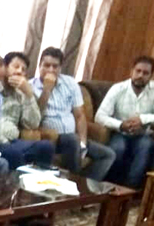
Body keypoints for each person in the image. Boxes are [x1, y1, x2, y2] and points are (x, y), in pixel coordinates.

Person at [31, 47, 116, 181]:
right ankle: (75, 183)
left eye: (55, 66)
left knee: (108, 154)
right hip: (51, 139)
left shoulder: (70, 83)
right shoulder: (31, 87)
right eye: (47, 65)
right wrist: (46, 90)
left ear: (60, 68)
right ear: (39, 66)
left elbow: (80, 115)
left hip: (74, 139)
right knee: (71, 139)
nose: (51, 70)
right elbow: (35, 118)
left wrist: (82, 143)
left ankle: (83, 186)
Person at [94, 56, 154, 188]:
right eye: (138, 71)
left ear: (152, 75)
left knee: (145, 147)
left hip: (143, 135)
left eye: (146, 73)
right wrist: (120, 125)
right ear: (132, 71)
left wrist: (142, 119)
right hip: (120, 133)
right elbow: (99, 116)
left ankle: (129, 190)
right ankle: (109, 187)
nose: (140, 75)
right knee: (118, 148)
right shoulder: (118, 88)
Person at [0, 51, 55, 169]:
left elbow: (32, 124)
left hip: (13, 141)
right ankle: (19, 185)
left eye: (23, 70)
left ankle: (40, 184)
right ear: (5, 68)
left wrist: (28, 94)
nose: (19, 72)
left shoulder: (22, 93)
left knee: (47, 147)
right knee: (14, 154)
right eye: (16, 67)